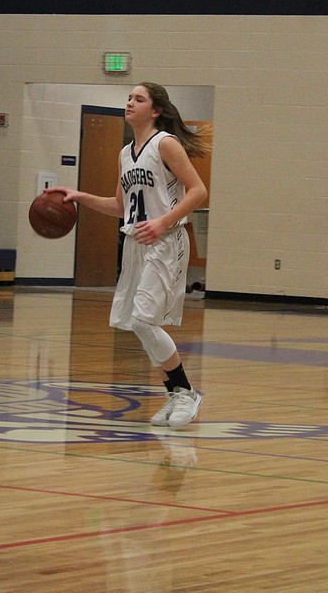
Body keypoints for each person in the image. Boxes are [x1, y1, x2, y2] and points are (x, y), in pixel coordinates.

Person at [51, 83, 209, 429]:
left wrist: (163, 221)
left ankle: (185, 392)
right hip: (138, 242)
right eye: (129, 98)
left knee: (142, 320)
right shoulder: (125, 153)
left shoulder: (165, 143)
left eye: (139, 99)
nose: (130, 102)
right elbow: (120, 207)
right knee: (137, 323)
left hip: (166, 239)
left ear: (155, 110)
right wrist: (80, 196)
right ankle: (176, 393)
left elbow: (198, 190)